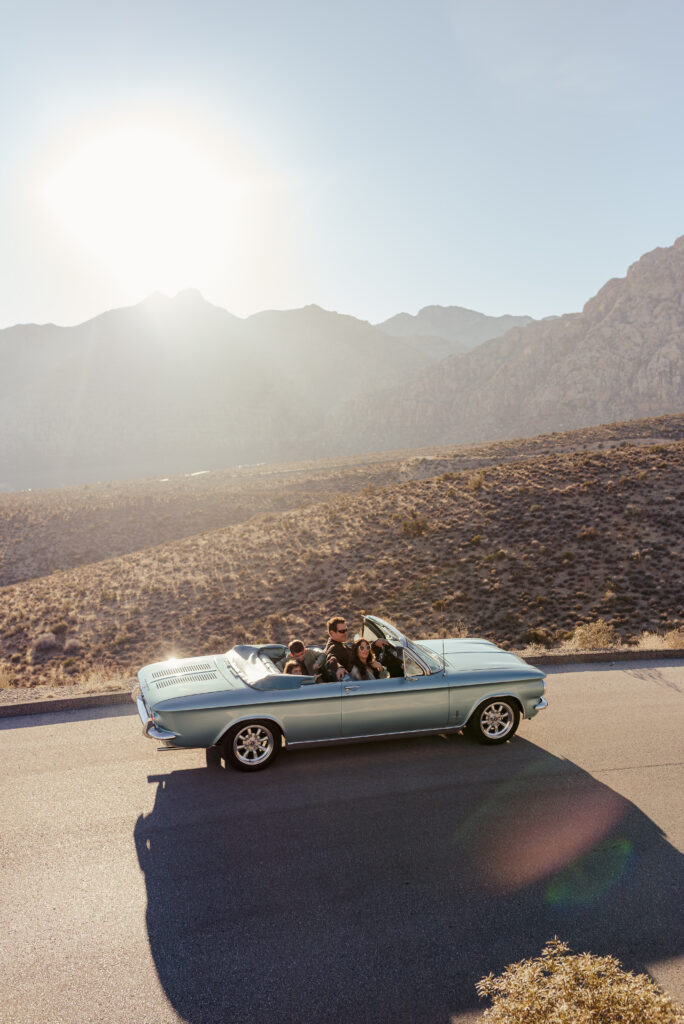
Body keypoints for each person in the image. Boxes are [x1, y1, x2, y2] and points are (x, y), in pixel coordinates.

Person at [323, 616, 354, 681]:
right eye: (342, 631)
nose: (345, 633)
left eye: (346, 630)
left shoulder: (339, 642)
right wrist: (338, 668)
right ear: (332, 633)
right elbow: (331, 657)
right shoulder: (333, 647)